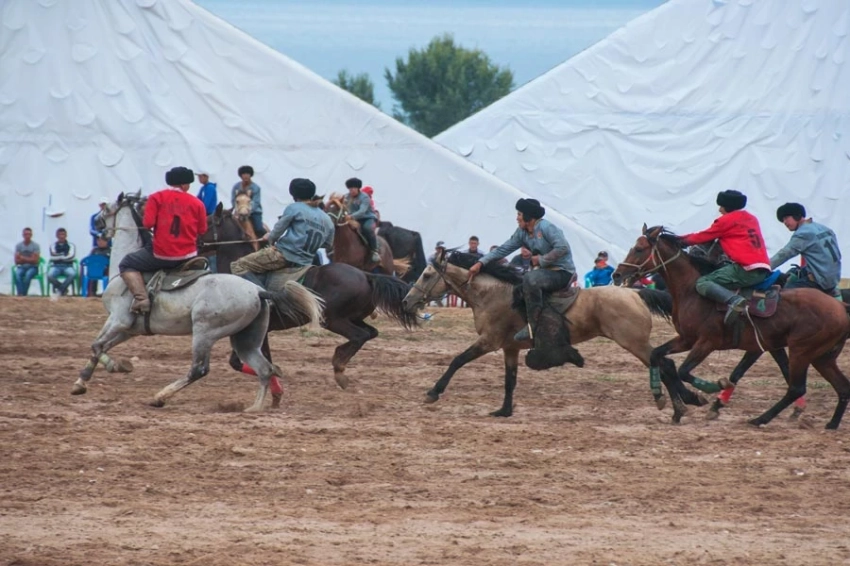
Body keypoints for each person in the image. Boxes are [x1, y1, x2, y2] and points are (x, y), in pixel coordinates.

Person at [468, 198, 584, 370]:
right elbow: (503, 249)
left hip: (561, 272)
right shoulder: (522, 233)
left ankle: (533, 326)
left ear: (529, 217)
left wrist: (541, 260)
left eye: (519, 215)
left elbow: (562, 248)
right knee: (521, 285)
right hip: (544, 272)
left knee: (530, 280)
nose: (517, 218)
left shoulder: (547, 228)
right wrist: (481, 263)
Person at [118, 167, 207, 313]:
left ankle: (142, 299)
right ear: (185, 185)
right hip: (188, 255)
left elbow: (147, 224)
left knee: (127, 263)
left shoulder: (156, 198)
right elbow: (202, 230)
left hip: (161, 253)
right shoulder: (198, 203)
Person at [680, 190, 771, 325]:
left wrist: (677, 241)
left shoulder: (726, 221)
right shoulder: (751, 219)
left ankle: (733, 300)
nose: (720, 209)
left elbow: (702, 236)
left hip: (746, 269)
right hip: (763, 268)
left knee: (702, 283)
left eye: (721, 206)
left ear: (728, 206)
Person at [231, 178, 334, 276]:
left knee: (237, 265)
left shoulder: (294, 208)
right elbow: (328, 244)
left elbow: (277, 232)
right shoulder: (327, 219)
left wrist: (269, 237)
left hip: (283, 256)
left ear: (293, 194)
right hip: (307, 261)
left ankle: (261, 292)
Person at [771, 202, 842, 299]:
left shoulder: (803, 233)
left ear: (797, 216)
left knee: (784, 297)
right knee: (792, 273)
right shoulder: (824, 228)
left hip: (820, 280)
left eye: (786, 218)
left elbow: (784, 254)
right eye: (783, 220)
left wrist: (765, 266)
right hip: (834, 277)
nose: (785, 223)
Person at [343, 177, 380, 263]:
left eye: (354, 188)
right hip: (352, 218)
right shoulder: (346, 197)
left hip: (367, 218)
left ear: (358, 188)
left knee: (367, 228)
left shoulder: (364, 197)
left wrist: (351, 216)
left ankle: (374, 250)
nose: (352, 190)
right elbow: (344, 207)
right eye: (350, 188)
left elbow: (362, 211)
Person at [231, 165, 263, 236]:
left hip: (254, 212)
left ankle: (264, 244)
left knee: (259, 228)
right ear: (240, 175)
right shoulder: (236, 187)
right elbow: (233, 200)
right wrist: (238, 209)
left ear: (250, 175)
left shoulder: (255, 188)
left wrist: (248, 211)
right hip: (239, 211)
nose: (245, 176)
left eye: (247, 174)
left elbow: (256, 202)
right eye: (243, 174)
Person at [47, 228, 77, 296]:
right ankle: (64, 289)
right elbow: (52, 257)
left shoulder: (71, 245)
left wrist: (58, 256)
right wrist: (63, 255)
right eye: (59, 234)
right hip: (56, 266)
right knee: (49, 275)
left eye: (63, 234)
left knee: (72, 274)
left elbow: (71, 256)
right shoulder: (53, 245)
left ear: (66, 235)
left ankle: (60, 290)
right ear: (56, 236)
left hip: (68, 266)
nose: (61, 236)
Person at [13, 227, 40, 296]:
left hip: (33, 267)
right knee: (17, 275)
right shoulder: (18, 246)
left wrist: (22, 258)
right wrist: (30, 258)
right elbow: (16, 261)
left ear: (31, 235)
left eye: (29, 234)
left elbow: (35, 261)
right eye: (25, 234)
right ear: (23, 235)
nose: (27, 236)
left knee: (28, 275)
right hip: (22, 267)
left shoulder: (36, 246)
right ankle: (21, 294)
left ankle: (23, 294)